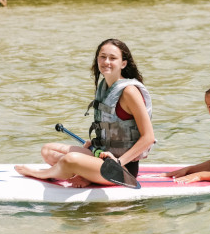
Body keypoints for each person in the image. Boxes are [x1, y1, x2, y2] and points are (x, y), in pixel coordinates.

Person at [15, 39, 156, 187]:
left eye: (113, 58)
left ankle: (45, 174)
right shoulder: (105, 87)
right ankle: (85, 174)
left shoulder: (129, 92)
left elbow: (149, 137)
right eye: (102, 56)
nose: (106, 61)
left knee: (70, 160)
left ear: (123, 63)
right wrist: (96, 143)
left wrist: (118, 161)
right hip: (101, 156)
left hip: (120, 168)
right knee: (48, 150)